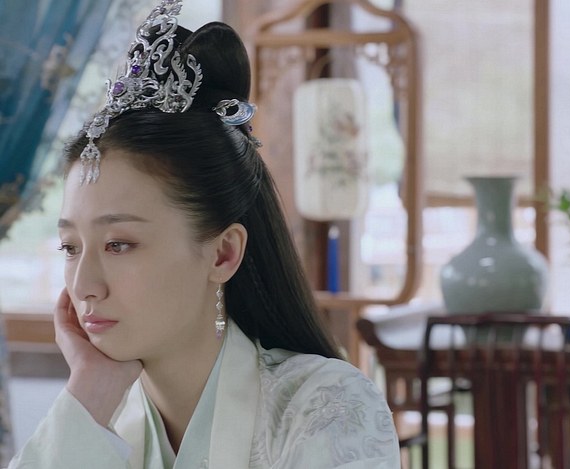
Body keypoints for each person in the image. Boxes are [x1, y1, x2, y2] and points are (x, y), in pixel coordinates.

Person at [8, 2, 400, 468]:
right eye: (70, 247)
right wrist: (89, 390)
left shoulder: (324, 406)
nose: (84, 286)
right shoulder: (96, 415)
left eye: (118, 244)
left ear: (222, 254)